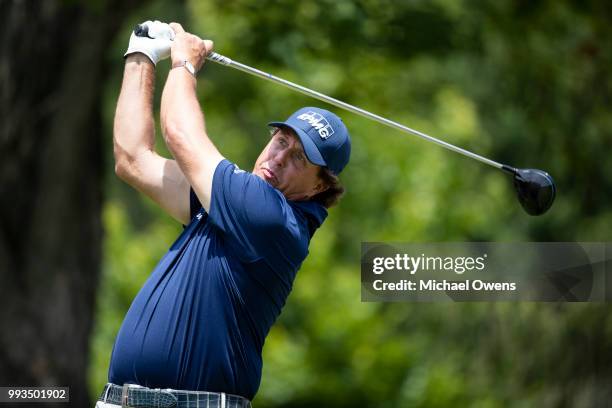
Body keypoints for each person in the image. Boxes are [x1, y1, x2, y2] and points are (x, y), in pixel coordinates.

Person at [95, 20, 351, 408]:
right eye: (281, 141)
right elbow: (132, 159)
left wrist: (184, 64)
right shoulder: (227, 207)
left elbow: (180, 134)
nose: (278, 158)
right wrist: (142, 53)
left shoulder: (270, 218)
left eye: (298, 157)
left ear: (319, 187)